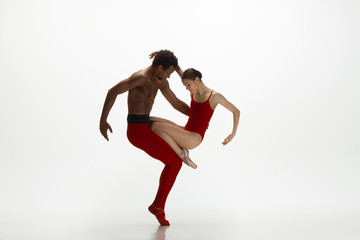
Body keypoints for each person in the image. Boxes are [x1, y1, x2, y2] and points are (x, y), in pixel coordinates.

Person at [99, 50, 190, 226]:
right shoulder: (140, 78)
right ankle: (158, 206)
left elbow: (176, 103)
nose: (169, 77)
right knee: (175, 162)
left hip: (147, 124)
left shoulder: (161, 80)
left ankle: (157, 205)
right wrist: (103, 121)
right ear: (160, 68)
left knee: (178, 149)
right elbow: (112, 92)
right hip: (137, 131)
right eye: (169, 73)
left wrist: (196, 117)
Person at [149, 65, 240, 169]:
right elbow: (180, 71)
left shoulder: (214, 96)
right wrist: (165, 59)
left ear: (197, 79)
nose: (187, 89)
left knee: (156, 126)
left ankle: (182, 154)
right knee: (151, 120)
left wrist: (233, 134)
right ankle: (178, 147)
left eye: (188, 85)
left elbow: (236, 111)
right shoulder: (193, 92)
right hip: (186, 130)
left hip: (194, 138)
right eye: (185, 86)